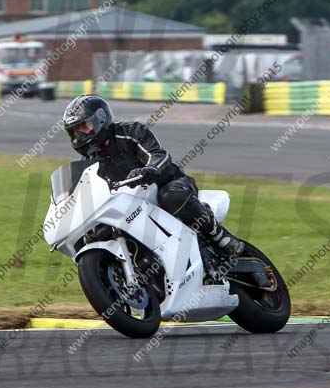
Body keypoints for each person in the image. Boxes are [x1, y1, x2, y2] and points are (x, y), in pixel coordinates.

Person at [62, 95, 244, 274]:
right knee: (97, 232)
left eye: (83, 127)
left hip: (167, 184)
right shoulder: (89, 164)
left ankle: (220, 236)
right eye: (74, 131)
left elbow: (158, 155)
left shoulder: (130, 132)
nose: (79, 135)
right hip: (133, 207)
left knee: (171, 196)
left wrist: (149, 170)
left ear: (100, 120)